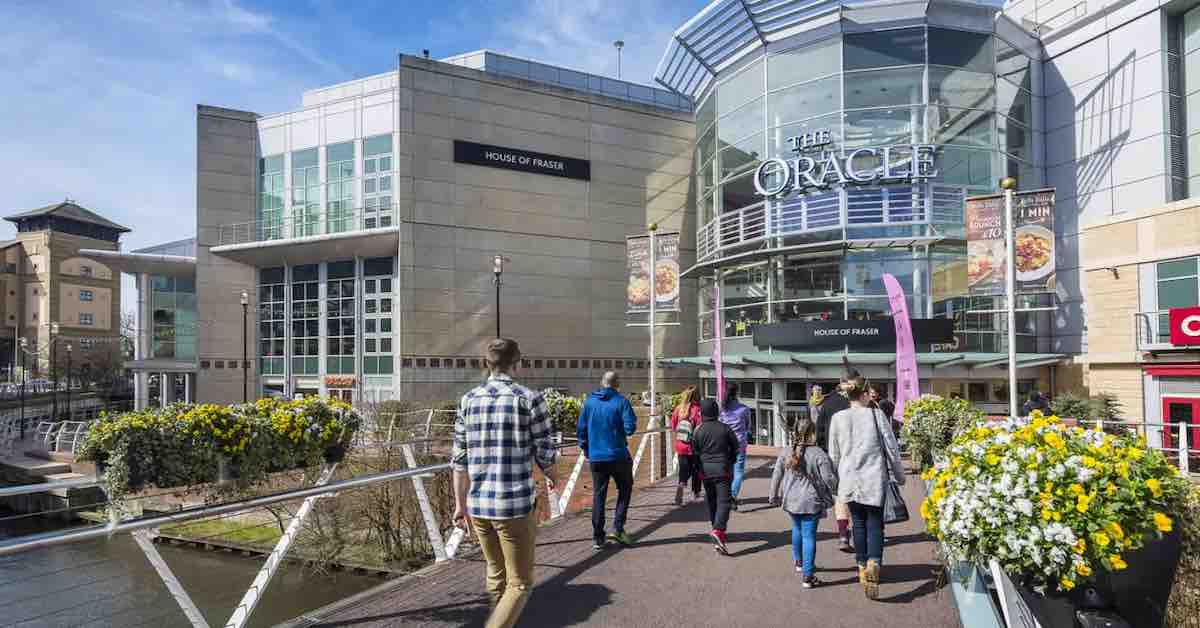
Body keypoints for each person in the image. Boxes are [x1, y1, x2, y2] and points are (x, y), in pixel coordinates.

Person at [452, 338, 560, 628]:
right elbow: (545, 451)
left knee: (496, 574)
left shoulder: (468, 400)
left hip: (479, 505)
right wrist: (553, 476)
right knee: (521, 583)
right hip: (514, 505)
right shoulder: (529, 398)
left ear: (487, 364)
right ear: (518, 363)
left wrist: (460, 505)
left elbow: (460, 460)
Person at [828, 374, 906, 601]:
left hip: (848, 479)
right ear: (864, 394)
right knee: (875, 524)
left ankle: (862, 567)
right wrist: (899, 476)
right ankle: (875, 562)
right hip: (874, 479)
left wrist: (835, 482)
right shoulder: (876, 414)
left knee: (858, 524)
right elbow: (891, 447)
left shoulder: (838, 418)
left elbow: (833, 455)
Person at [769, 416, 837, 588]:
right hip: (810, 501)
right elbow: (828, 478)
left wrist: (773, 495)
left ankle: (799, 562)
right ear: (813, 433)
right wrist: (837, 491)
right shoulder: (819, 453)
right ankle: (808, 575)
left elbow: (777, 474)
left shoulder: (786, 451)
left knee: (797, 529)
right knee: (809, 536)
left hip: (791, 500)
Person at [577, 371, 638, 550]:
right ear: (618, 384)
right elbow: (630, 428)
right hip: (618, 455)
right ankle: (618, 528)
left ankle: (598, 537)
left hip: (596, 457)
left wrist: (587, 450)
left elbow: (581, 430)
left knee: (599, 496)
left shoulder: (589, 402)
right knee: (625, 490)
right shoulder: (622, 402)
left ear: (602, 383)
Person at [691, 399, 739, 555]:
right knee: (724, 502)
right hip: (722, 469)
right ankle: (718, 531)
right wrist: (730, 460)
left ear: (702, 413)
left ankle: (716, 532)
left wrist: (699, 470)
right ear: (716, 412)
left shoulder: (698, 430)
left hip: (705, 471)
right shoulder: (725, 428)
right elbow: (736, 447)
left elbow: (695, 453)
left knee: (712, 502)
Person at [817, 373, 852, 550]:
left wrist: (824, 451)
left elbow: (820, 430)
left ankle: (844, 533)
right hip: (859, 457)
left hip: (835, 455)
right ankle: (864, 531)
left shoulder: (828, 403)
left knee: (840, 495)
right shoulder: (862, 403)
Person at [718, 382, 750, 511]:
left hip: (724, 444)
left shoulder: (722, 409)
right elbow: (748, 427)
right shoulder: (744, 409)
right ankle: (732, 495)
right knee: (738, 472)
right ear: (737, 393)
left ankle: (725, 496)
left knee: (726, 471)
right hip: (739, 444)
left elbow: (719, 425)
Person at [670, 386, 703, 505]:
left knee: (683, 471)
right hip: (694, 447)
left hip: (681, 446)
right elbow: (700, 429)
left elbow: (673, 427)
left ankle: (680, 489)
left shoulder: (678, 409)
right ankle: (696, 494)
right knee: (696, 471)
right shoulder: (698, 410)